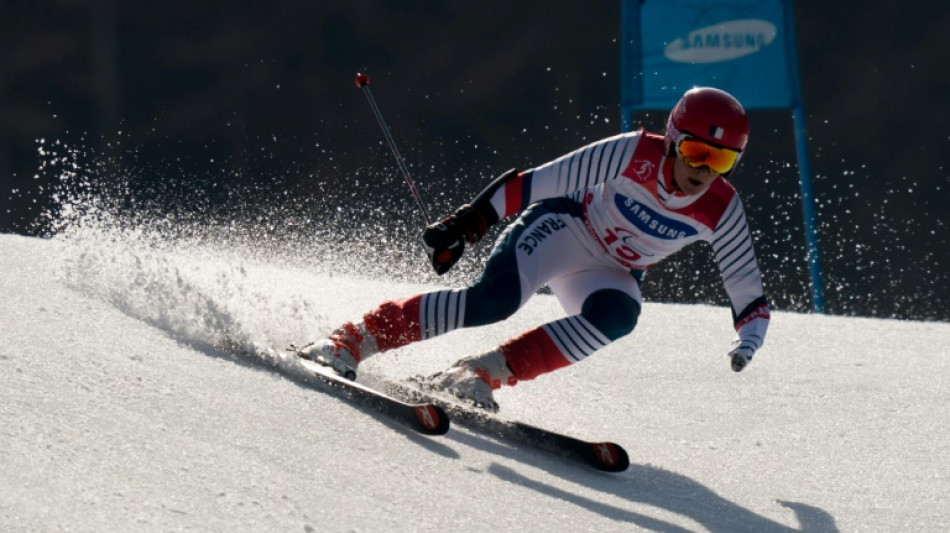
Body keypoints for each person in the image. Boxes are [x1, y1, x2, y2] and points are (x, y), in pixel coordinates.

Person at [298, 86, 770, 411]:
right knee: (493, 302)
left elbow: (746, 287)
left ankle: (478, 374)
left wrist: (748, 339)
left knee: (620, 315)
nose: (705, 170)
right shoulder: (633, 153)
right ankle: (349, 340)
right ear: (671, 139)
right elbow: (539, 182)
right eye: (695, 152)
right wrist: (472, 221)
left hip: (609, 270)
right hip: (565, 226)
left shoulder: (721, 207)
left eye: (722, 159)